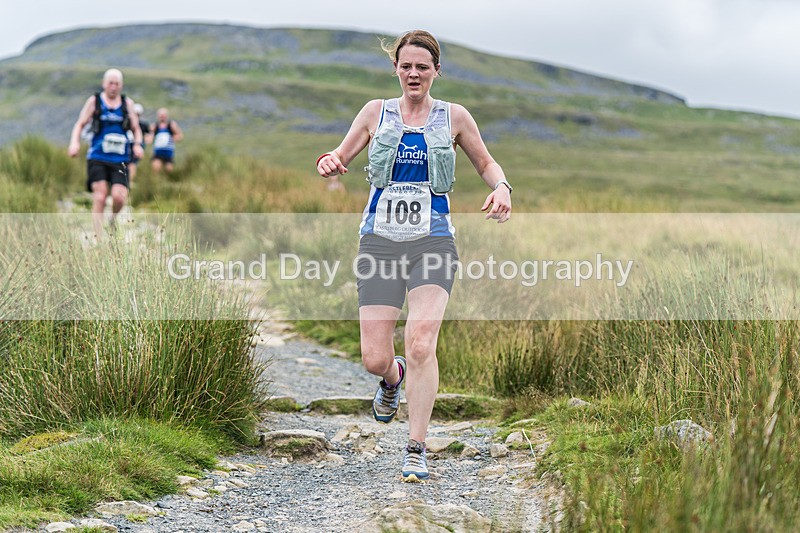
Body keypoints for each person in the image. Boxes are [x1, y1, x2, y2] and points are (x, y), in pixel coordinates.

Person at [316, 30, 512, 482]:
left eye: (423, 67)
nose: (414, 74)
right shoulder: (375, 112)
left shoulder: (454, 117)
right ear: (396, 69)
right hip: (380, 242)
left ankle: (415, 448)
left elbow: (486, 163)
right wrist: (329, 160)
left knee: (422, 342)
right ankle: (392, 378)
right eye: (406, 66)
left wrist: (502, 187)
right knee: (373, 358)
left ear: (436, 71)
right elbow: (340, 155)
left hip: (433, 242)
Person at [68, 68, 143, 237]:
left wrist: (138, 145)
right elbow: (80, 124)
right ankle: (98, 237)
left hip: (120, 159)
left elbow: (136, 129)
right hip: (97, 157)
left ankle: (112, 219)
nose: (113, 87)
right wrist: (74, 143)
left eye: (117, 84)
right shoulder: (94, 101)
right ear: (104, 84)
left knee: (119, 197)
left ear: (121, 85)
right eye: (110, 83)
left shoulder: (127, 104)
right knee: (100, 196)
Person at [150, 108, 183, 173]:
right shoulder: (155, 126)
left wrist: (174, 138)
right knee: (155, 170)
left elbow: (180, 136)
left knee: (168, 172)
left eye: (163, 115)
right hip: (158, 153)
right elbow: (150, 137)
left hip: (168, 153)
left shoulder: (171, 125)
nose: (162, 117)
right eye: (161, 115)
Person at [127, 103, 151, 182]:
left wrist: (143, 143)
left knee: (133, 163)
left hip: (137, 145)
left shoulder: (143, 124)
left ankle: (130, 180)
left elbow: (148, 135)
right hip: (128, 144)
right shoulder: (127, 122)